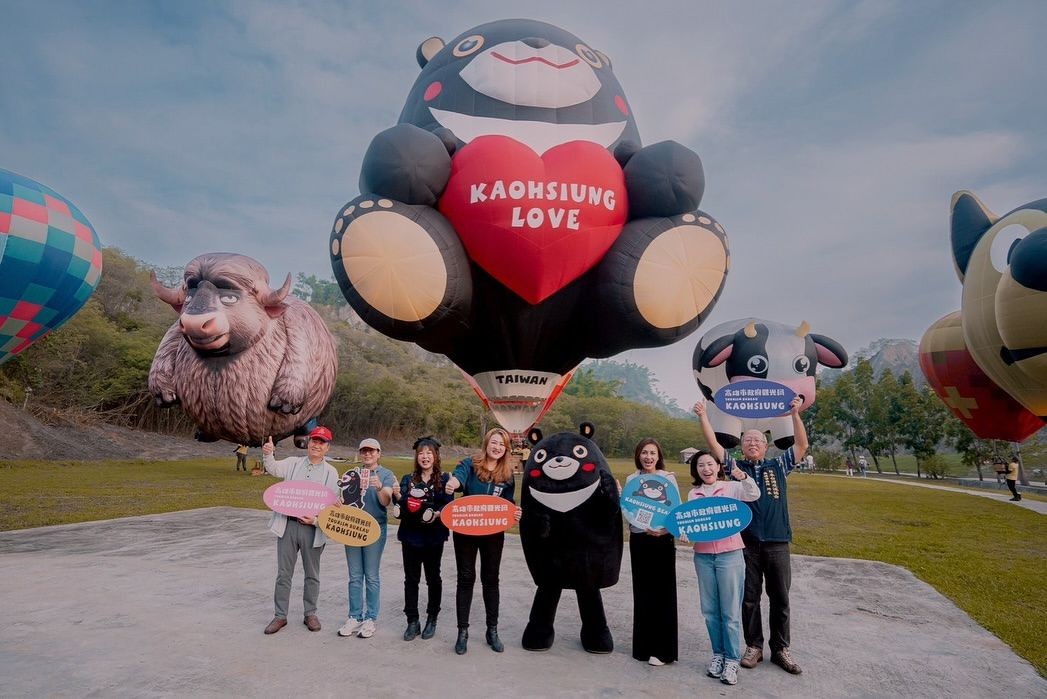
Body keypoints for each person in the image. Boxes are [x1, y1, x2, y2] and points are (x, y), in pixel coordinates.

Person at [693, 396, 808, 676]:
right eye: (747, 441)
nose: (752, 444)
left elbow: (801, 445)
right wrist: (703, 417)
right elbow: (714, 447)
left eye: (757, 441)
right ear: (742, 446)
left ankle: (781, 648)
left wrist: (794, 414)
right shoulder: (735, 469)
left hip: (778, 541)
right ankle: (753, 646)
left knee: (780, 597)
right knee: (749, 598)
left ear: (766, 446)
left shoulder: (779, 466)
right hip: (746, 543)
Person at [685, 437, 761, 686]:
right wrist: (685, 532)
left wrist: (742, 476)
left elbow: (754, 493)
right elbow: (690, 524)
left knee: (729, 612)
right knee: (709, 611)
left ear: (718, 466)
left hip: (730, 555)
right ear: (695, 470)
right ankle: (717, 655)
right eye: (700, 466)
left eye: (709, 464)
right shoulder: (693, 494)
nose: (706, 469)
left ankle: (731, 660)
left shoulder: (730, 488)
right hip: (703, 556)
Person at [444, 427, 522, 655]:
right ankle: (462, 632)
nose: (497, 447)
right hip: (465, 531)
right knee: (466, 578)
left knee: (491, 579)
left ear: (506, 449)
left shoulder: (507, 475)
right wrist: (453, 484)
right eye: (494, 442)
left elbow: (507, 503)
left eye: (502, 444)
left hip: (493, 535)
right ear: (487, 443)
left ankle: (492, 630)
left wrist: (514, 512)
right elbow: (458, 479)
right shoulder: (470, 463)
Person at [260, 426, 339, 635]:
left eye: (322, 442)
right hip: (288, 525)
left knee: (312, 574)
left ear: (327, 448)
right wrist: (268, 454)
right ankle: (280, 616)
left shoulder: (331, 473)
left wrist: (315, 520)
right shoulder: (294, 463)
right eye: (314, 440)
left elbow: (332, 507)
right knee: (283, 574)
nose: (317, 445)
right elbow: (274, 468)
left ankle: (310, 613)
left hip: (312, 528)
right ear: (308, 443)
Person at [624, 438, 679, 667]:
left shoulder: (667, 478)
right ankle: (643, 647)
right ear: (638, 455)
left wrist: (665, 528)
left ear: (659, 456)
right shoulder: (631, 479)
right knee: (643, 592)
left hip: (662, 540)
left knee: (663, 594)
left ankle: (663, 651)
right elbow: (628, 509)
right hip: (638, 540)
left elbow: (676, 509)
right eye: (644, 452)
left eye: (652, 453)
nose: (648, 457)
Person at [394, 436, 453, 641]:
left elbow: (448, 506)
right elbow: (401, 504)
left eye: (429, 453)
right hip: (411, 536)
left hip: (434, 537)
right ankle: (412, 620)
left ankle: (432, 618)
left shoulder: (445, 480)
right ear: (416, 456)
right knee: (411, 579)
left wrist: (438, 514)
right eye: (421, 453)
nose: (425, 457)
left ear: (436, 456)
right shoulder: (408, 479)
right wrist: (397, 497)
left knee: (433, 578)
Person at [337, 438, 397, 639]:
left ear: (379, 453)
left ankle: (370, 618)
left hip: (375, 529)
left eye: (372, 451)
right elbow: (343, 498)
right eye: (364, 451)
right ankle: (354, 616)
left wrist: (379, 487)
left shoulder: (386, 474)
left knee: (371, 576)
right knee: (354, 575)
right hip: (352, 527)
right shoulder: (353, 473)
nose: (368, 454)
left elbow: (387, 500)